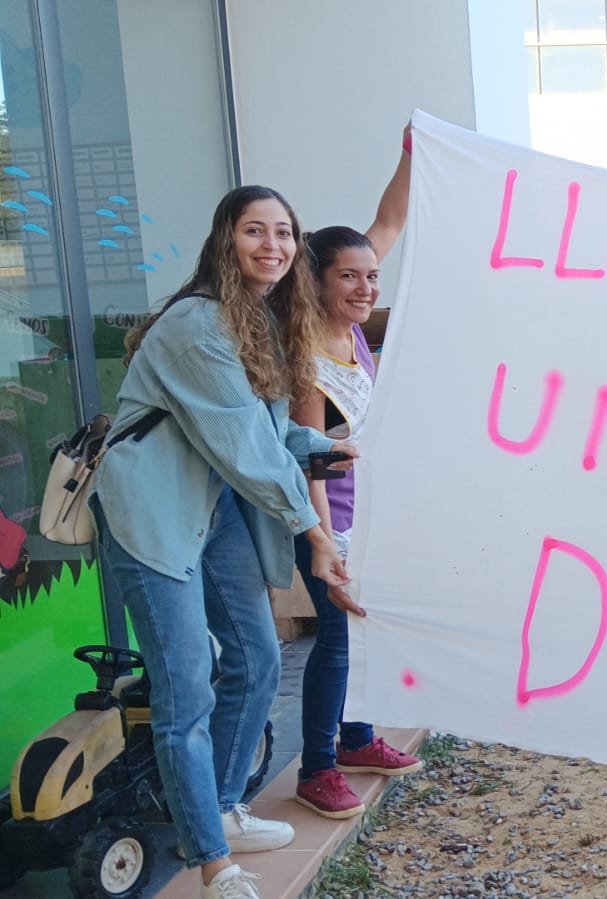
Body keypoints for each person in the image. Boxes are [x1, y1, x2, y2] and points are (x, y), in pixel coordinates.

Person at [94, 186, 357, 899]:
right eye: (254, 230)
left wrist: (329, 444)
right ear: (224, 239)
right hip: (151, 516)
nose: (271, 244)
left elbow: (267, 430)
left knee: (257, 656)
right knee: (187, 691)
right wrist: (314, 532)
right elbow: (243, 443)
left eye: (283, 232)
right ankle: (211, 860)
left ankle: (224, 807)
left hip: (210, 508)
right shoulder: (197, 324)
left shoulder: (258, 322)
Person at [290, 134, 420, 819]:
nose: (367, 286)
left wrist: (410, 150)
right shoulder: (309, 350)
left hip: (361, 516)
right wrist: (326, 541)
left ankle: (359, 735)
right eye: (350, 276)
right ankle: (317, 763)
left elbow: (390, 220)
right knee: (337, 638)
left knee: (362, 632)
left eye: (371, 276)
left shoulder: (353, 329)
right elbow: (308, 457)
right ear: (316, 280)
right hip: (327, 520)